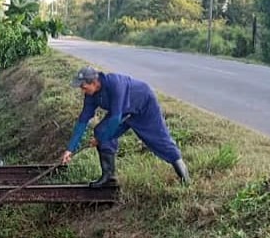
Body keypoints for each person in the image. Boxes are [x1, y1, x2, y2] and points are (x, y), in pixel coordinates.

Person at [61, 66, 190, 187]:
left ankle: (185, 179)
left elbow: (116, 118)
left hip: (144, 104)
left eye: (83, 87)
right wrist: (70, 149)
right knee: (100, 130)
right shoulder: (91, 95)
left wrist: (101, 139)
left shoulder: (115, 84)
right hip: (124, 111)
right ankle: (108, 177)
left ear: (94, 82)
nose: (82, 90)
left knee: (160, 140)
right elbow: (83, 120)